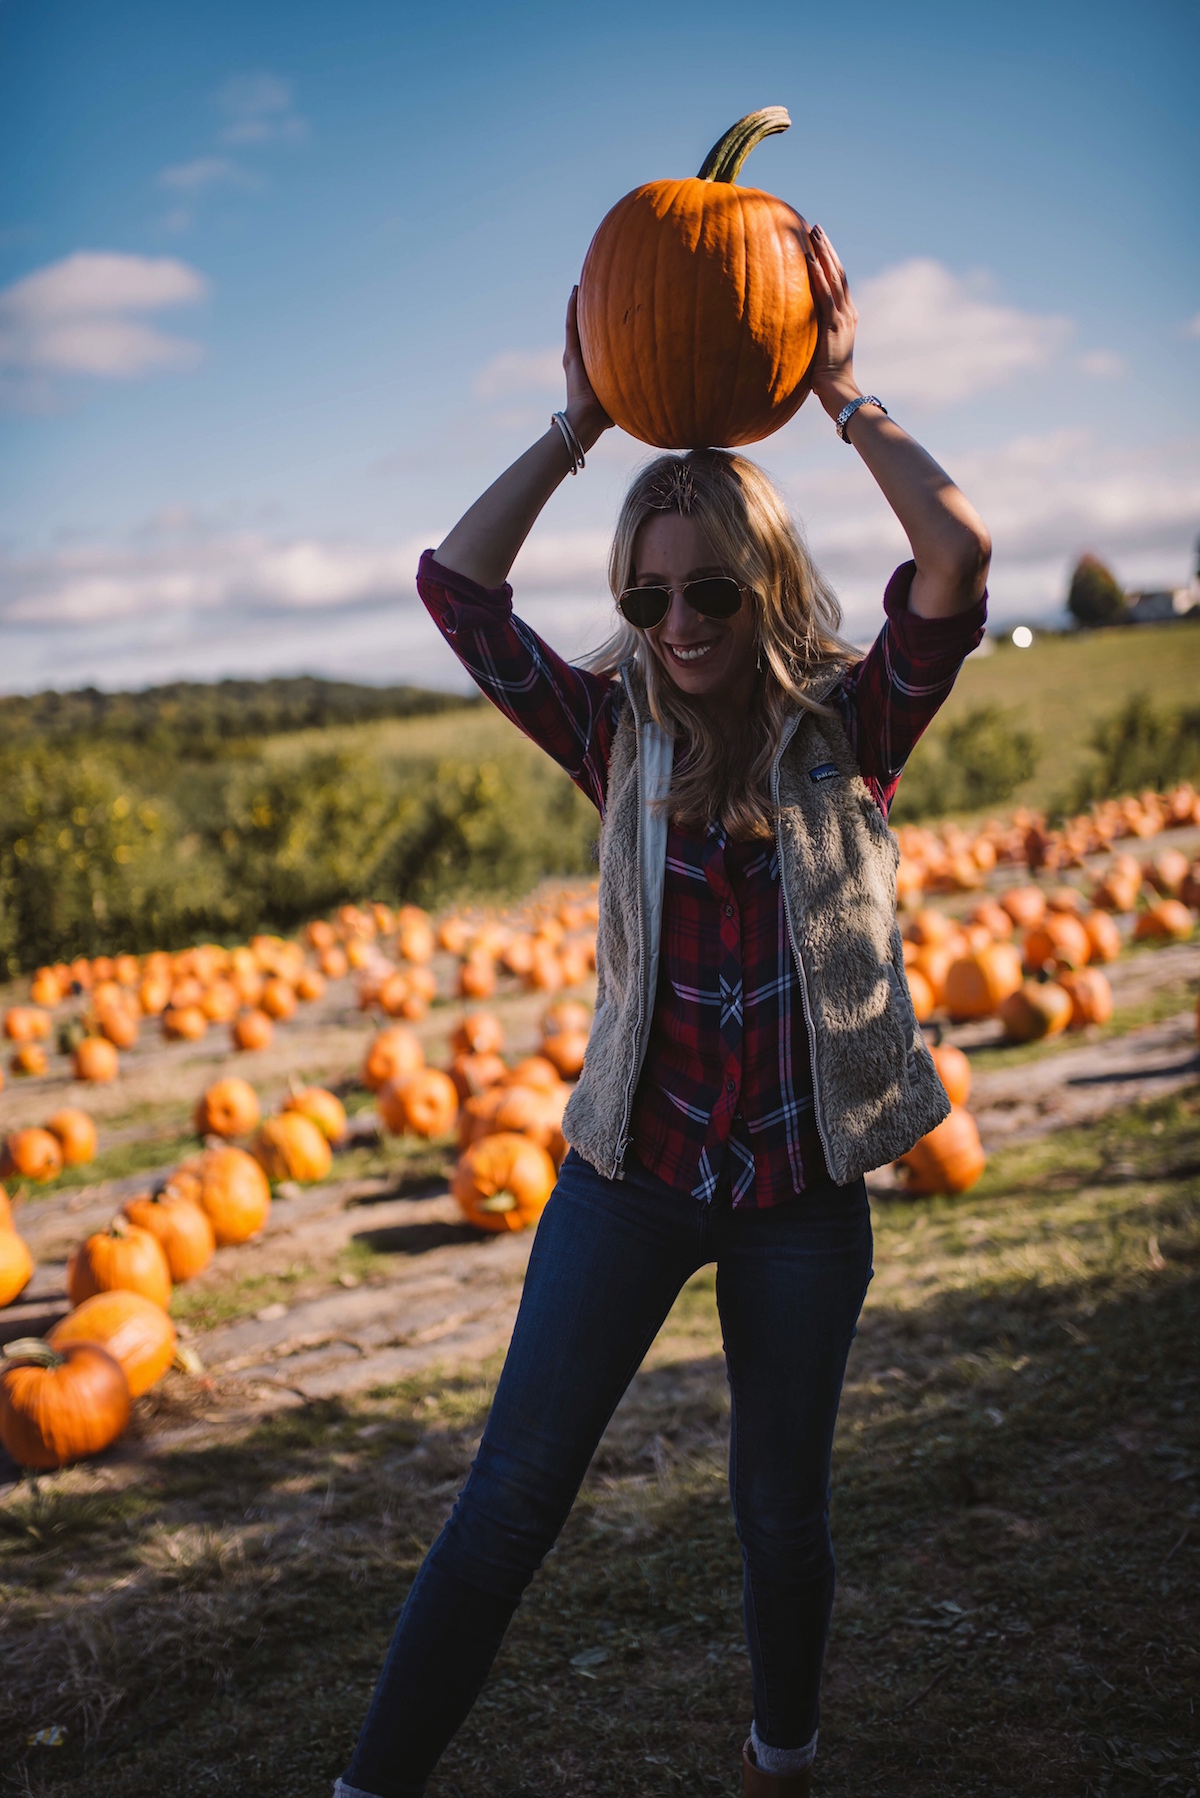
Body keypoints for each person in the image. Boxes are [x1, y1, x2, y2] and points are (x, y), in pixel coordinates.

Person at [336, 225, 990, 1798]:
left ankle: (783, 1755)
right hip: (627, 1174)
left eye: (707, 586)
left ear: (759, 581)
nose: (678, 617)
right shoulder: (608, 730)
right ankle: (367, 1788)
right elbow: (456, 587)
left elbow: (956, 560)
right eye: (646, 590)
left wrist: (844, 399)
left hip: (797, 1197)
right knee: (507, 1503)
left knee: (781, 1510)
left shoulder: (854, 723)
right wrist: (577, 424)